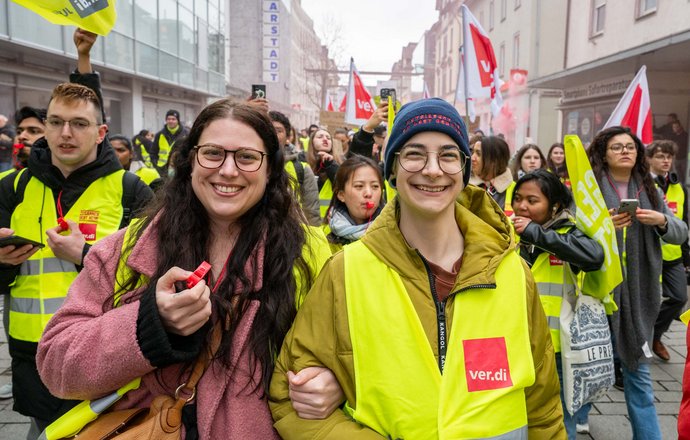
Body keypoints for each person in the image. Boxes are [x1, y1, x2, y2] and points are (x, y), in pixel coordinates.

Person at [36, 100, 341, 439]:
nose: (227, 170)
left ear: (270, 170)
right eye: (212, 153)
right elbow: (56, 365)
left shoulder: (310, 254)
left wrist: (336, 384)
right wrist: (150, 325)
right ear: (189, 161)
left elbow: (347, 354)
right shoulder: (127, 248)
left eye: (247, 157)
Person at [270, 98, 566, 439]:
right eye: (414, 153)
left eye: (448, 155)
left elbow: (543, 412)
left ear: (464, 171)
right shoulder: (346, 272)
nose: (432, 168)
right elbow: (290, 399)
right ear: (392, 170)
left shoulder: (513, 273)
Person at [0, 28, 154, 439]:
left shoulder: (129, 190)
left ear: (101, 133)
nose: (66, 133)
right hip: (31, 352)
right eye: (56, 122)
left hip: (102, 350)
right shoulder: (13, 188)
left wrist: (86, 254)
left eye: (79, 124)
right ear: (44, 128)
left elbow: (153, 276)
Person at [586, 126, 687, 440]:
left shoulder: (651, 189)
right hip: (598, 292)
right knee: (586, 369)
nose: (624, 151)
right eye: (616, 147)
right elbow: (573, 230)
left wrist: (661, 221)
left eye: (629, 147)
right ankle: (575, 420)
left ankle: (649, 436)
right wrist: (603, 224)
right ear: (604, 153)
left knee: (638, 370)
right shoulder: (588, 188)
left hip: (640, 293)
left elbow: (680, 232)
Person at [511, 169, 604, 439]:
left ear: (555, 206)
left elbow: (594, 255)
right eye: (518, 198)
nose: (522, 206)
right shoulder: (510, 232)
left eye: (532, 200)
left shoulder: (569, 233)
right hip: (517, 343)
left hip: (559, 349)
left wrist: (537, 234)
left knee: (560, 420)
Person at [0, 106, 46, 401]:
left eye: (34, 131)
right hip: (18, 300)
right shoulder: (8, 183)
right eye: (21, 131)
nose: (24, 137)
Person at [644, 140, 690, 361]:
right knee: (647, 302)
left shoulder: (678, 187)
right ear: (649, 159)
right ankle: (642, 340)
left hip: (673, 256)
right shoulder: (643, 186)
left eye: (669, 157)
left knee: (679, 298)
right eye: (661, 156)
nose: (666, 161)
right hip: (648, 255)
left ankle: (655, 334)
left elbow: (684, 221)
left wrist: (687, 253)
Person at [269, 111, 320, 225]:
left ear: (288, 138)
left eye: (278, 130)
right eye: (268, 128)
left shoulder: (302, 169)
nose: (272, 133)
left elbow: (312, 214)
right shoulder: (249, 165)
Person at [324, 155, 384, 252]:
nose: (368, 193)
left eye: (375, 186)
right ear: (341, 195)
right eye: (359, 186)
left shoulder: (394, 233)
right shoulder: (324, 238)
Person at [469, 135, 515, 214]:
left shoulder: (516, 191)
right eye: (473, 152)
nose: (472, 158)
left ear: (495, 160)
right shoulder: (464, 186)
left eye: (478, 154)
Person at [306, 127, 345, 219]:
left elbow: (343, 184)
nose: (325, 139)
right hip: (307, 221)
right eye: (320, 137)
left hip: (330, 222)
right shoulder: (302, 162)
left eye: (328, 138)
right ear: (312, 142)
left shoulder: (341, 164)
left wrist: (330, 165)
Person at [151, 109, 188, 176]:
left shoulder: (186, 134)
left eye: (173, 119)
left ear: (178, 121)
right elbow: (153, 153)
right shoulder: (159, 135)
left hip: (180, 168)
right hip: (162, 170)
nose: (170, 121)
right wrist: (157, 166)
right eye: (168, 119)